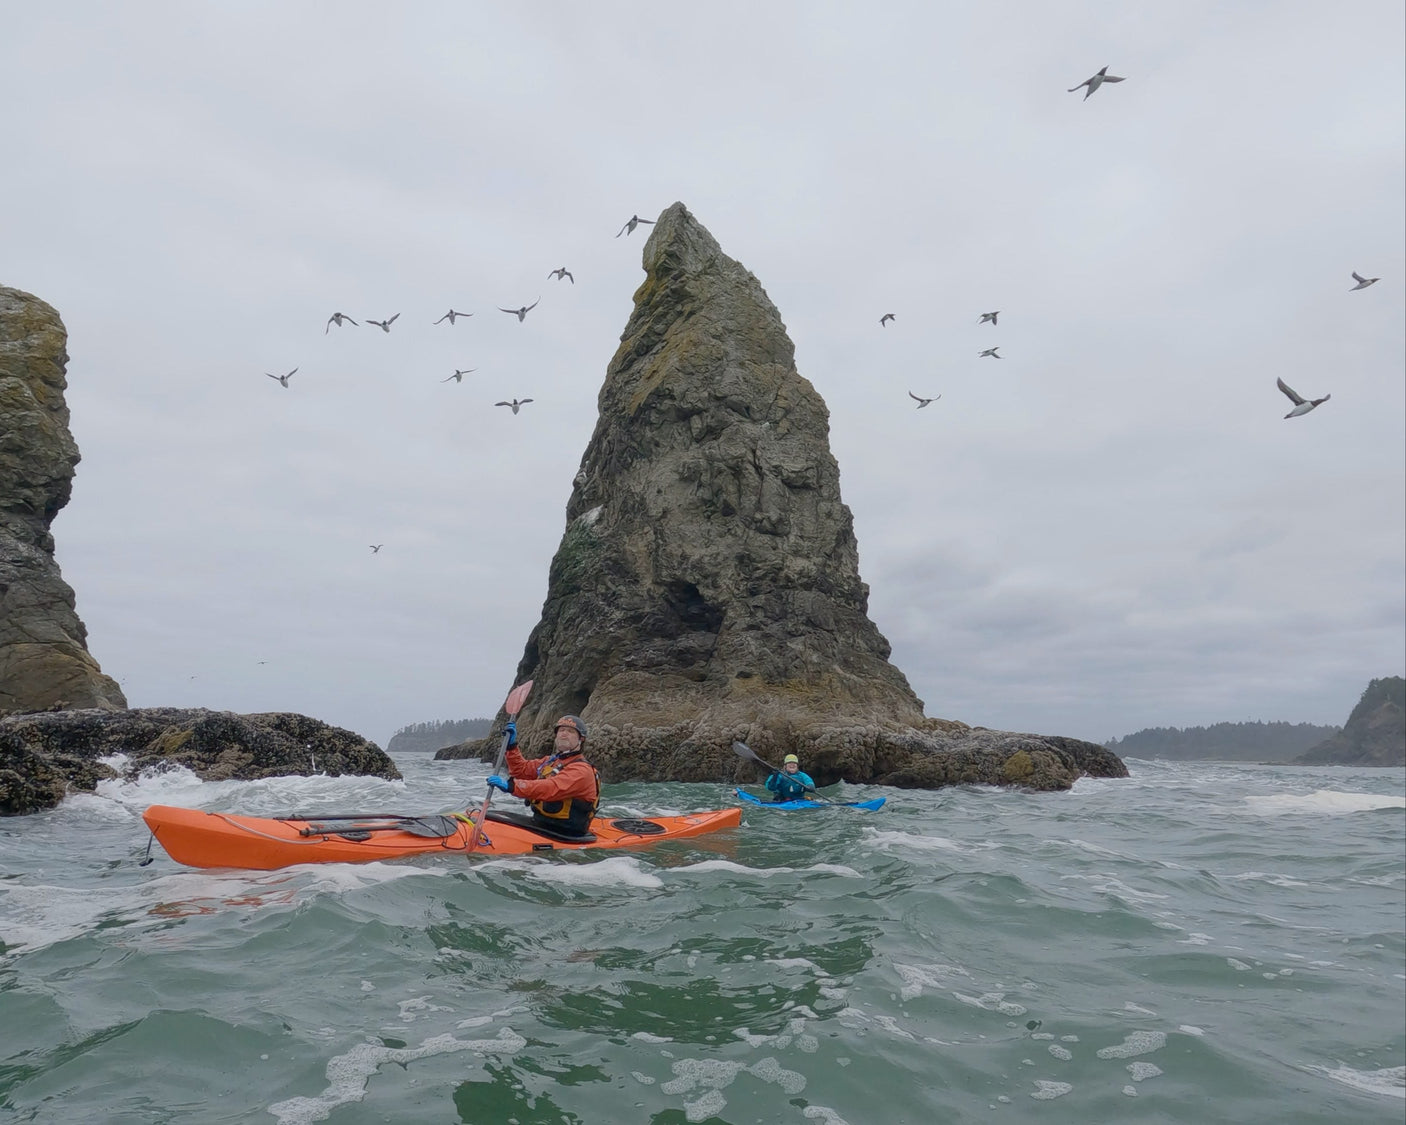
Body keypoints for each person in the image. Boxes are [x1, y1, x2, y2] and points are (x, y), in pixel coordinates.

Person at [487, 714, 601, 836]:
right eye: (561, 730)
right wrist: (511, 746)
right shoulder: (551, 761)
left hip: (567, 832)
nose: (564, 734)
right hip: (542, 823)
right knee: (491, 816)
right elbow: (521, 770)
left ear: (581, 739)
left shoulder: (582, 770)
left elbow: (551, 788)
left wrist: (512, 786)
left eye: (570, 731)